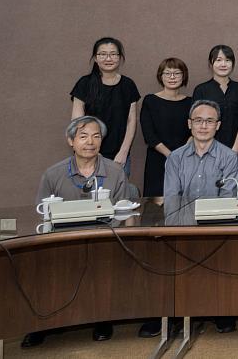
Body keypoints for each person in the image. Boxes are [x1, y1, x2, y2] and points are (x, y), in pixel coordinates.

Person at [27, 116, 129, 347]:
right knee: (36, 265)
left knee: (102, 263)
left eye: (96, 136)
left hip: (104, 242)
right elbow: (41, 213)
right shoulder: (53, 175)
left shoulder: (115, 172)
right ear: (71, 141)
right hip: (61, 242)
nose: (90, 142)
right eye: (83, 136)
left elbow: (125, 213)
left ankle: (102, 319)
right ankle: (42, 323)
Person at [160, 99, 238, 334]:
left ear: (218, 125)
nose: (203, 126)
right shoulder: (175, 157)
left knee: (220, 259)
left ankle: (220, 310)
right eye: (198, 121)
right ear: (189, 124)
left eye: (209, 121)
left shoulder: (228, 157)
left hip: (215, 229)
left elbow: (227, 202)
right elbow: (172, 199)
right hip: (182, 227)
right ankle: (180, 310)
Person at [70, 37, 140, 176]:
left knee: (118, 196)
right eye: (102, 54)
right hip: (89, 154)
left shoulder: (128, 85)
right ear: (95, 58)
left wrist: (123, 152)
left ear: (120, 58)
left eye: (113, 54)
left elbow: (131, 121)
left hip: (119, 156)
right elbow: (77, 122)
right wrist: (93, 153)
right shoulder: (84, 84)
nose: (108, 58)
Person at [192, 45, 238, 188]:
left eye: (228, 60)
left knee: (233, 192)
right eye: (218, 60)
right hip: (207, 153)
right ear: (211, 64)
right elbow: (197, 123)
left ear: (233, 63)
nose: (223, 64)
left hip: (237, 153)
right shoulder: (201, 89)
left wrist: (233, 152)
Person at [139, 58, 192, 197]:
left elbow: (195, 131)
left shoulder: (191, 102)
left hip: (185, 159)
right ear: (160, 76)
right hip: (157, 160)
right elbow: (149, 134)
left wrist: (181, 154)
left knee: (185, 202)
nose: (172, 77)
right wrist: (170, 155)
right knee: (155, 207)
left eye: (177, 73)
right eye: (167, 73)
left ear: (184, 76)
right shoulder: (150, 100)